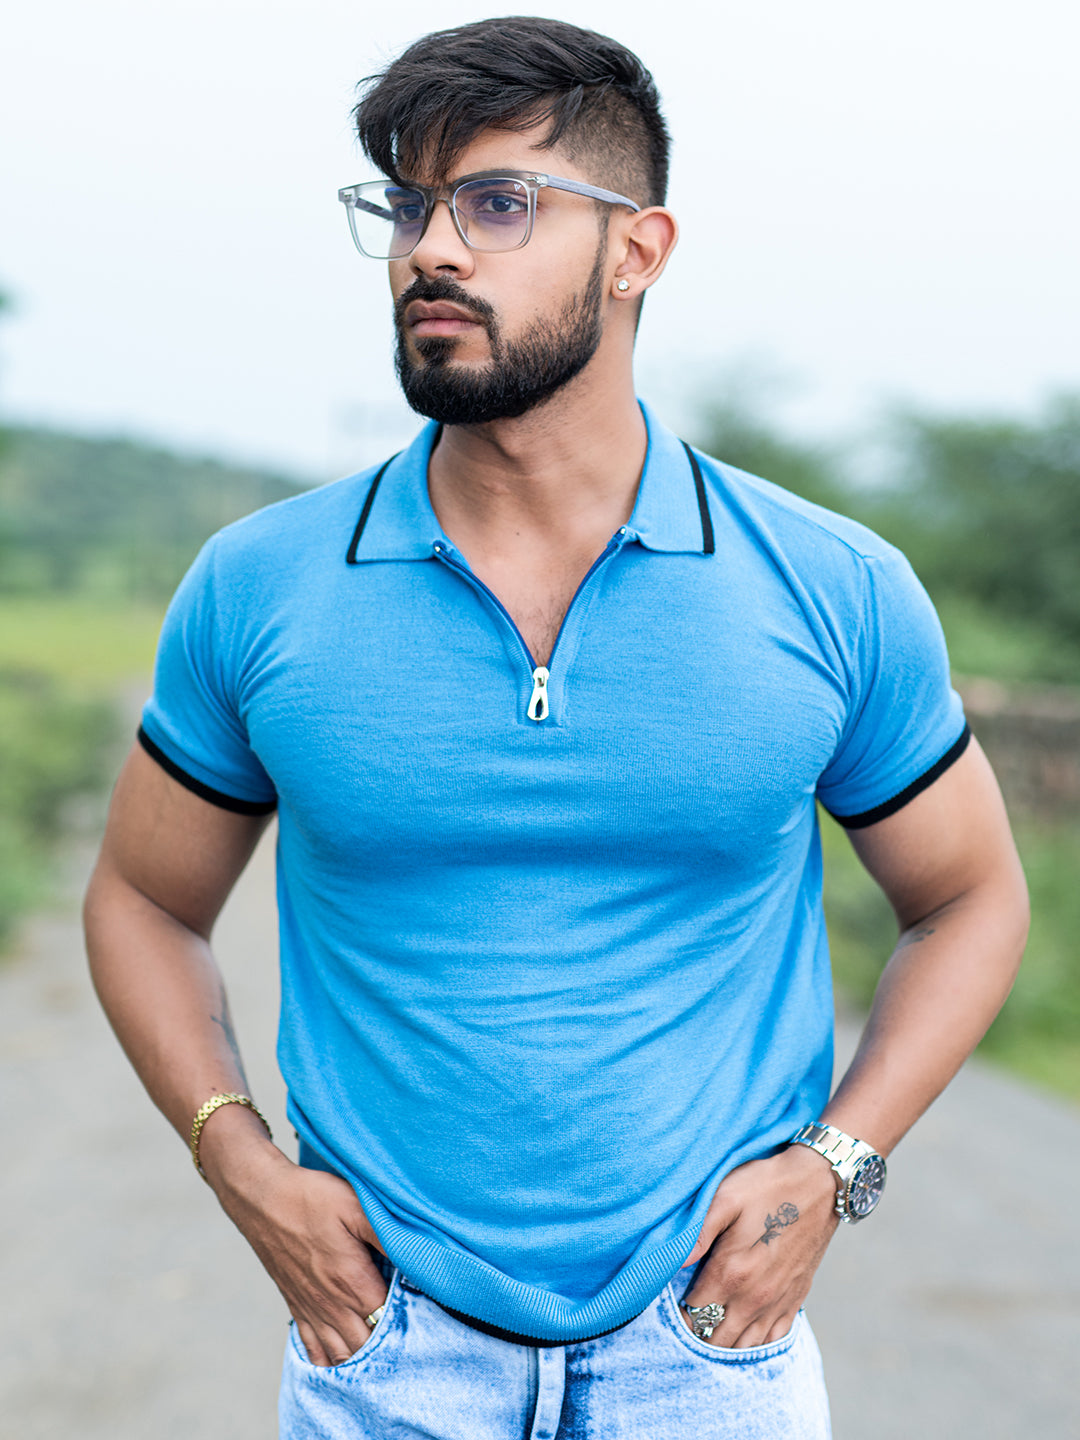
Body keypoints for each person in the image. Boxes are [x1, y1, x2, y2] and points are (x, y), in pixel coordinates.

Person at [84, 16, 1029, 1439]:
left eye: (498, 203)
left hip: (707, 1352)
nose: (431, 251)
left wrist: (835, 1167)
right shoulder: (260, 586)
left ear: (637, 251)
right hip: (384, 1351)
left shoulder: (831, 588)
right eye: (407, 206)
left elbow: (970, 897)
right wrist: (241, 1166)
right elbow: (144, 900)